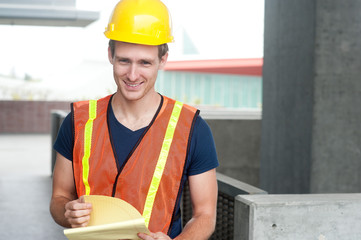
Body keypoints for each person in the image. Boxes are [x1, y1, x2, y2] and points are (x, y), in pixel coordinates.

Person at [49, 0, 219, 239]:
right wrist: (67, 212)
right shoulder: (78, 122)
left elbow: (205, 215)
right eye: (124, 60)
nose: (132, 75)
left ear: (163, 60)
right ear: (110, 55)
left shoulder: (192, 128)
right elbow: (59, 197)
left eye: (145, 63)